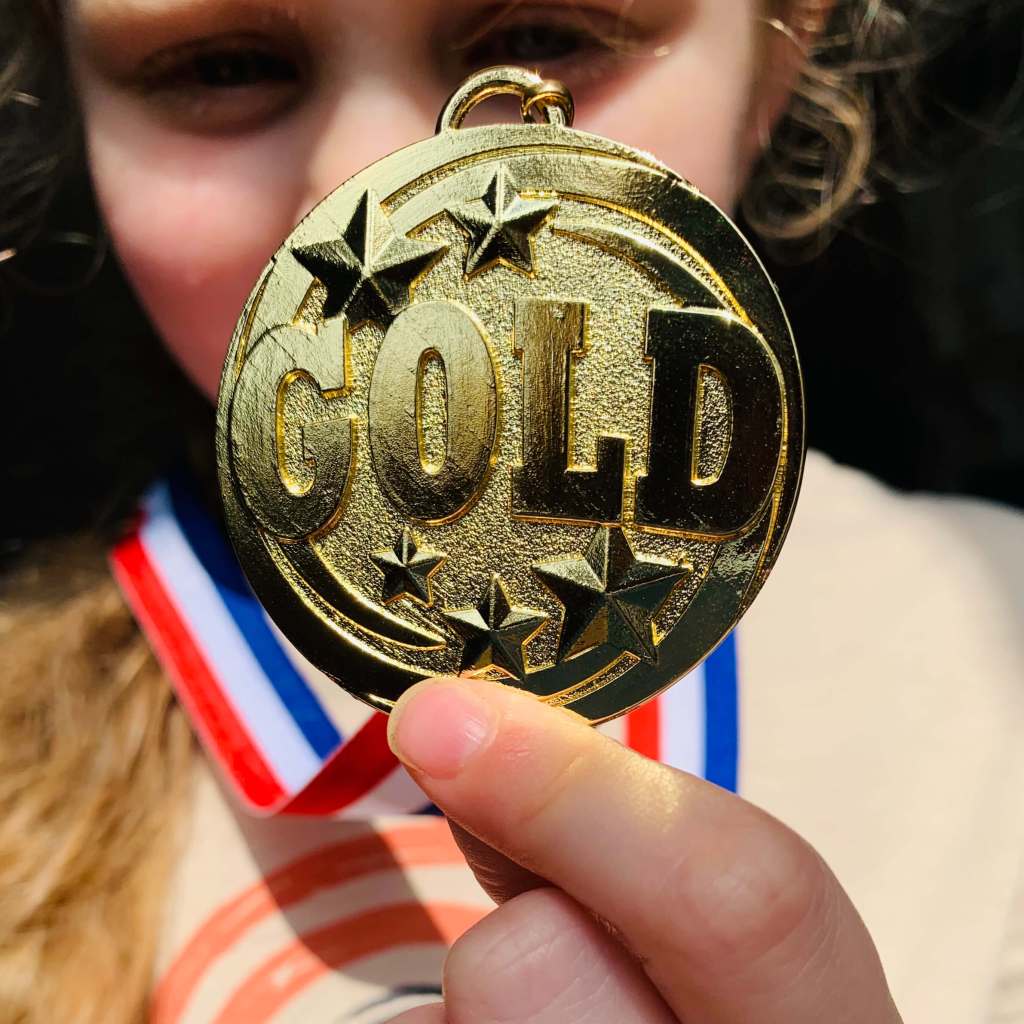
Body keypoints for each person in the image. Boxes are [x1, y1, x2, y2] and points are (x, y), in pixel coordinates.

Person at [2, 1, 1022, 1022]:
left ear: (777, 54)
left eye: (539, 37)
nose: (391, 172)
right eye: (224, 66)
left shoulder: (997, 668)